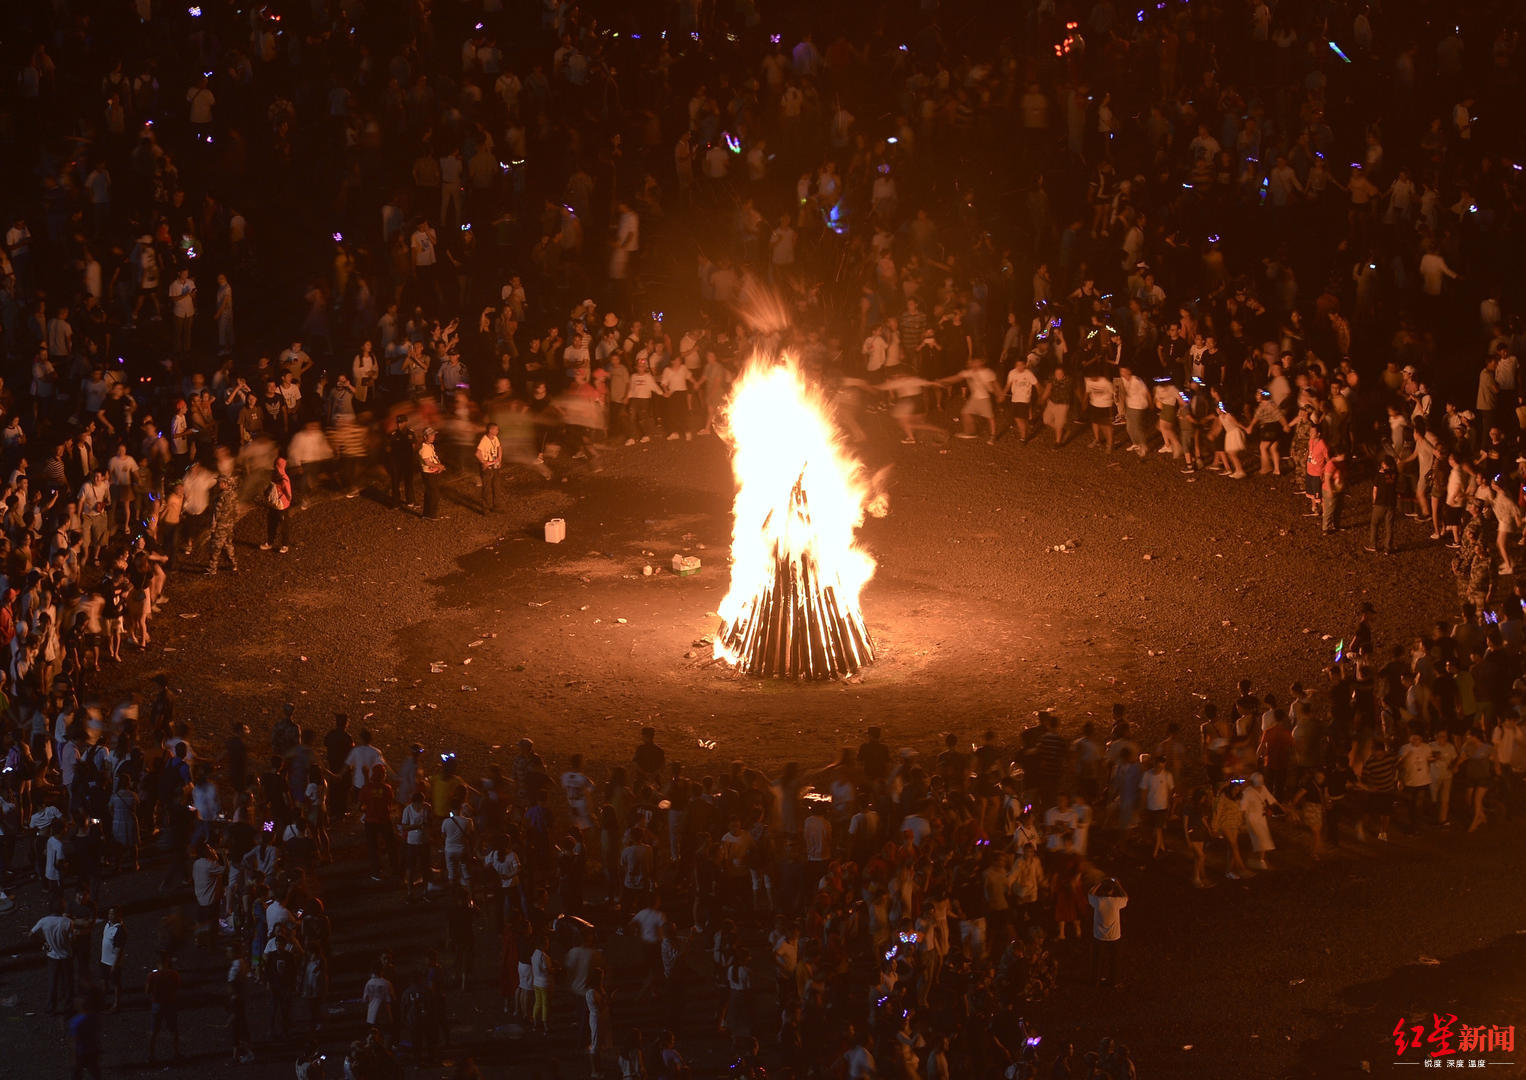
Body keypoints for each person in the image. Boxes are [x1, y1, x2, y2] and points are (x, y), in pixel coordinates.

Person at [1087, 877, 1127, 987]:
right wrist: (1118, 884)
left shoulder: (1097, 901)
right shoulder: (1116, 902)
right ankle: (1114, 982)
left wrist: (1098, 883)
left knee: (1097, 959)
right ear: (1112, 891)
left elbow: (1090, 893)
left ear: (1103, 890)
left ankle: (1095, 981)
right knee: (1115, 960)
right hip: (1114, 936)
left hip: (1099, 936)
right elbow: (1125, 897)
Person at [261, 457, 292, 554]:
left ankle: (279, 544)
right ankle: (282, 544)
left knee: (277, 525)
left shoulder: (278, 477)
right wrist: (288, 500)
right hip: (279, 504)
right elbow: (288, 493)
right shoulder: (282, 477)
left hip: (277, 505)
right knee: (279, 525)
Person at [476, 422, 503, 513]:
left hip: (495, 465)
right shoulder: (484, 440)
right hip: (488, 467)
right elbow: (477, 453)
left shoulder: (495, 438)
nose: (497, 431)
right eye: (496, 429)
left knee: (496, 486)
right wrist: (484, 462)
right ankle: (486, 508)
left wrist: (499, 459)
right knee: (487, 488)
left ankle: (497, 506)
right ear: (490, 430)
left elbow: (499, 447)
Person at [419, 427, 446, 519]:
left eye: (434, 435)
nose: (433, 437)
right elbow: (427, 462)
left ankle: (426, 514)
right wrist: (439, 466)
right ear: (425, 437)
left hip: (432, 473)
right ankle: (431, 515)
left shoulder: (430, 446)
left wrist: (439, 466)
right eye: (431, 435)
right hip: (428, 474)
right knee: (434, 494)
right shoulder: (424, 448)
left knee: (430, 493)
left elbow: (433, 459)